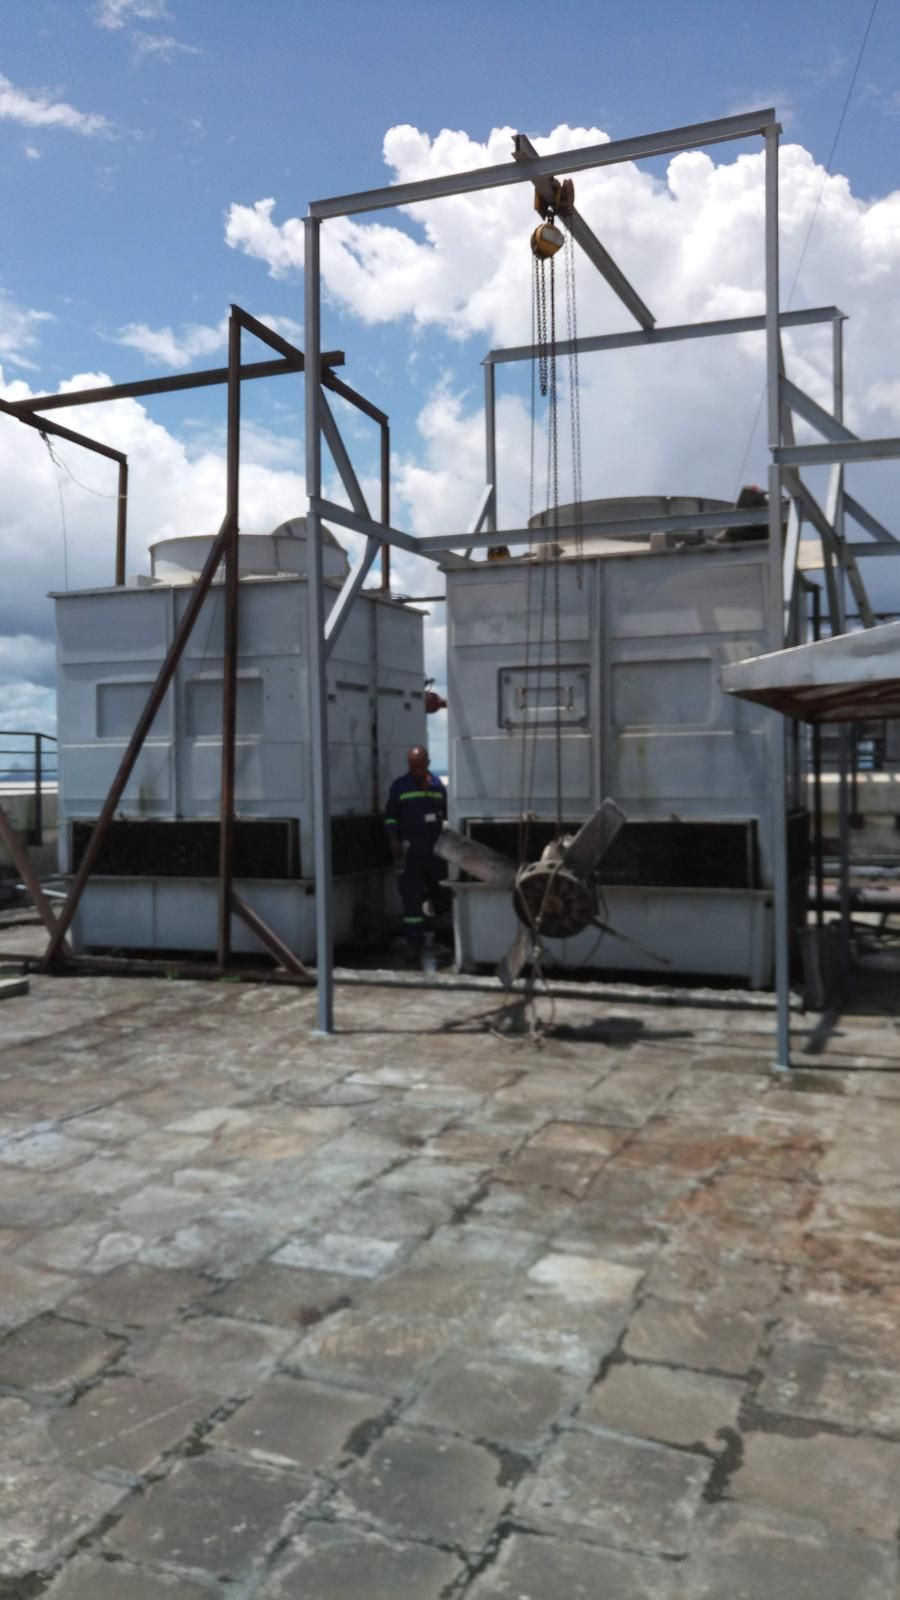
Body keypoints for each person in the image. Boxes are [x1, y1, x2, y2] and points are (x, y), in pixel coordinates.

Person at [384, 746, 449, 958]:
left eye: (419, 766)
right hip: (410, 854)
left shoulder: (438, 786)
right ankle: (414, 943)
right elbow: (391, 817)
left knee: (441, 898)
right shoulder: (400, 786)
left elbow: (447, 816)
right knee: (411, 899)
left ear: (428, 763)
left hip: (435, 855)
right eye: (412, 766)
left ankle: (442, 941)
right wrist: (393, 841)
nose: (416, 770)